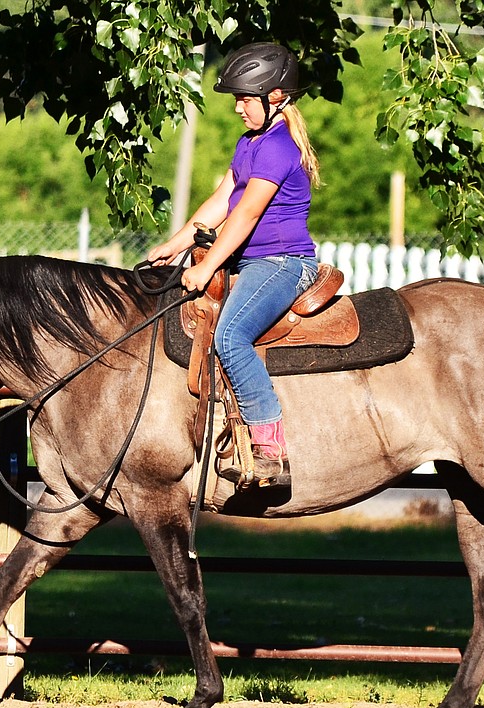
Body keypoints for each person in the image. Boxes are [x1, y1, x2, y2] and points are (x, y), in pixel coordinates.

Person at [148, 42, 321, 489]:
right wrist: (176, 243)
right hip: (256, 262)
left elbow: (245, 215)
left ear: (276, 97)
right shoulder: (250, 143)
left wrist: (205, 269)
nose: (238, 108)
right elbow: (223, 200)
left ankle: (269, 450)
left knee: (230, 333)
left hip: (283, 263)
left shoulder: (279, 147)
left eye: (245, 98)